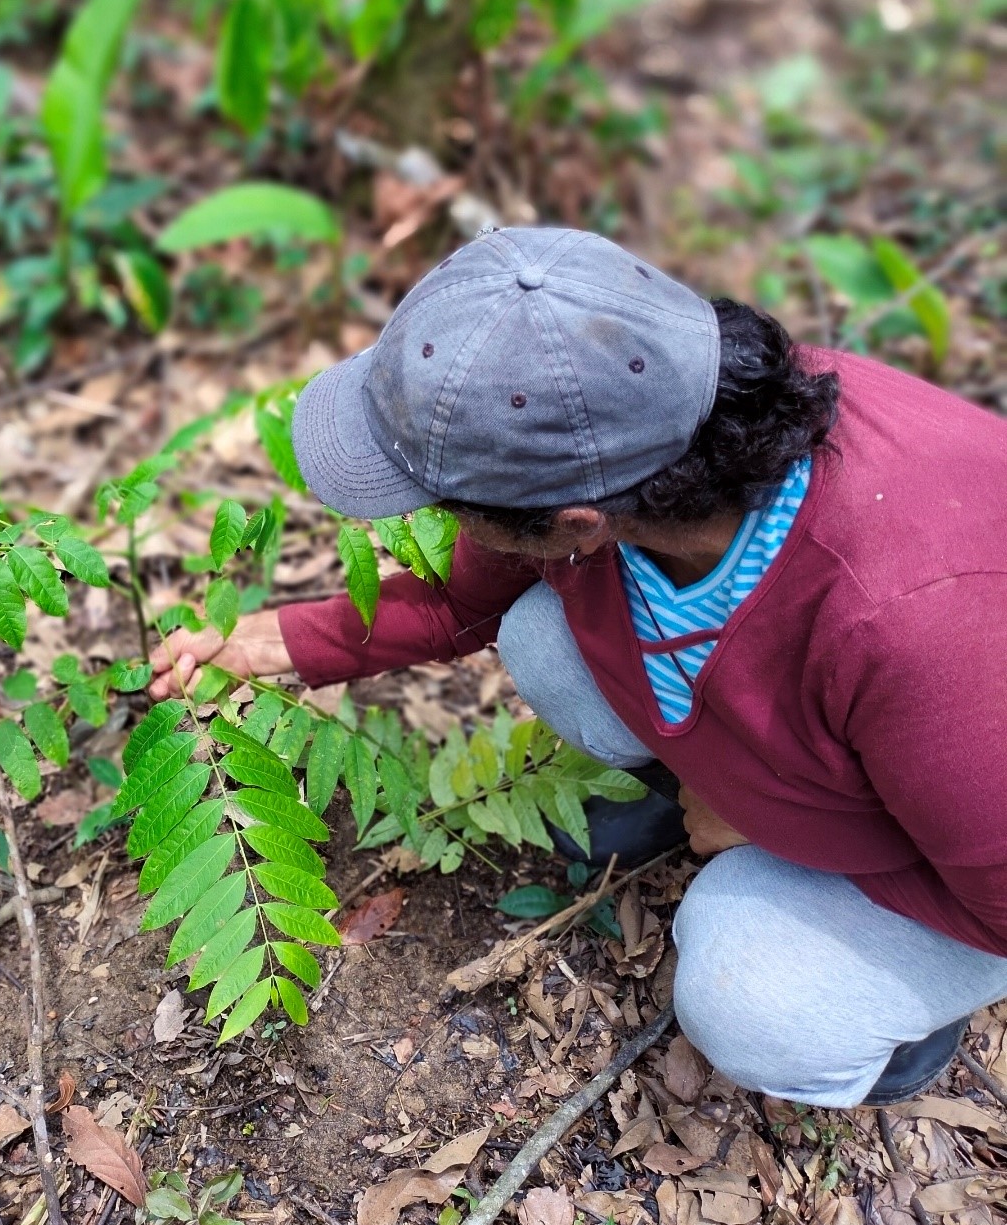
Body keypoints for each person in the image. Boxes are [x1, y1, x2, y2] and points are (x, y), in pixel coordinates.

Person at [151, 226, 1007, 1109]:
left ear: (573, 523)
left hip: (978, 848)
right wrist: (279, 642)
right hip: (852, 733)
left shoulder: (919, 626)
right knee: (541, 637)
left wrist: (763, 826)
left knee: (749, 993)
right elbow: (466, 601)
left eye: (446, 504)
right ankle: (682, 800)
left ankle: (891, 1038)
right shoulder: (654, 423)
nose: (435, 520)